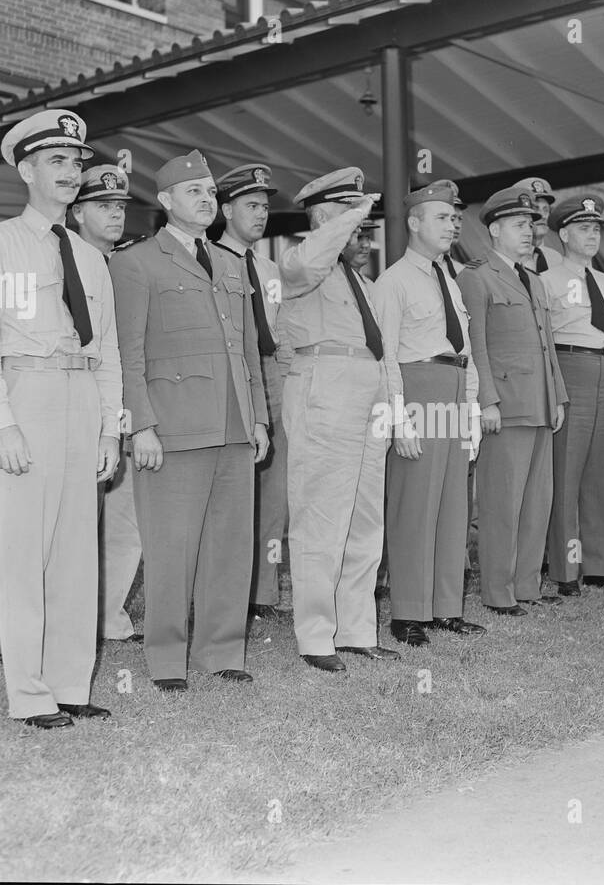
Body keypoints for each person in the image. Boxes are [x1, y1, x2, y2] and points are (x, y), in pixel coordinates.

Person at [0, 109, 121, 728]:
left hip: (82, 399)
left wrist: (111, 428)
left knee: (78, 554)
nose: (71, 172)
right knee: (25, 554)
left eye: (76, 162)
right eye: (57, 161)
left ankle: (70, 684)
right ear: (25, 171)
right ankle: (28, 694)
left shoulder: (90, 257)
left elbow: (108, 351)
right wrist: (1, 422)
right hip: (25, 396)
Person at [109, 151, 268, 692]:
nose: (206, 200)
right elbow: (128, 352)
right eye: (194, 191)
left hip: (234, 424)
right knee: (171, 548)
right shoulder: (136, 263)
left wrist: (259, 419)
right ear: (166, 200)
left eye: (210, 192)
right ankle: (166, 658)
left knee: (230, 545)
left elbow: (248, 350)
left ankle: (220, 650)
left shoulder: (230, 263)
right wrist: (140, 425)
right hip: (172, 429)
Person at [280, 167, 397, 672]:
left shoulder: (361, 282)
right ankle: (315, 636)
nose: (362, 231)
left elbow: (382, 350)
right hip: (325, 385)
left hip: (368, 392)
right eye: (352, 219)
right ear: (324, 218)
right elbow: (310, 261)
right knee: (322, 518)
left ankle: (356, 629)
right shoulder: (299, 264)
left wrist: (394, 406)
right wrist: (345, 219)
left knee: (365, 520)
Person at [369, 180, 486, 647]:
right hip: (417, 388)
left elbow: (465, 350)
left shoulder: (450, 279)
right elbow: (385, 357)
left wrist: (471, 410)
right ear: (414, 222)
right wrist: (398, 419)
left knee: (452, 504)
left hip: (452, 387)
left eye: (454, 217)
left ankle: (446, 607)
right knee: (414, 504)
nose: (453, 224)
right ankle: (408, 612)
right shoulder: (393, 281)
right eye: (442, 217)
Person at [457, 185, 567, 616]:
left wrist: (558, 397)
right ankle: (498, 592)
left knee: (537, 503)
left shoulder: (533, 280)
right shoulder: (476, 276)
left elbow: (546, 345)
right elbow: (476, 344)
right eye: (519, 224)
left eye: (531, 224)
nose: (529, 231)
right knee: (502, 504)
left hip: (539, 403)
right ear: (494, 229)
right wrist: (486, 400)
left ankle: (526, 586)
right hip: (505, 405)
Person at [540, 194, 604, 597]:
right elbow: (543, 342)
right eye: (583, 228)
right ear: (563, 234)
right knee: (566, 474)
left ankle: (601, 567)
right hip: (572, 368)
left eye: (596, 229)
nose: (592, 235)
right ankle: (566, 568)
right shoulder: (546, 281)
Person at [71, 163, 144, 645]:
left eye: (120, 206)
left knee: (125, 517)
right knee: (77, 518)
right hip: (78, 399)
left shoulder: (132, 263)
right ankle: (73, 617)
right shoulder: (62, 259)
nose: (116, 214)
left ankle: (108, 615)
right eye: (103, 206)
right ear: (78, 212)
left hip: (128, 403)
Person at [213, 162, 288, 621]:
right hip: (230, 375)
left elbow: (278, 329)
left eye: (264, 206)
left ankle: (264, 591)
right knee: (232, 492)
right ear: (226, 209)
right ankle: (228, 592)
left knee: (274, 493)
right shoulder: (208, 259)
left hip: (270, 372)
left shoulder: (269, 268)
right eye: (250, 205)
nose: (261, 214)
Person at [512, 176, 562, 273]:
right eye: (535, 209)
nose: (543, 216)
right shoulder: (510, 259)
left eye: (546, 209)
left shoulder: (556, 259)